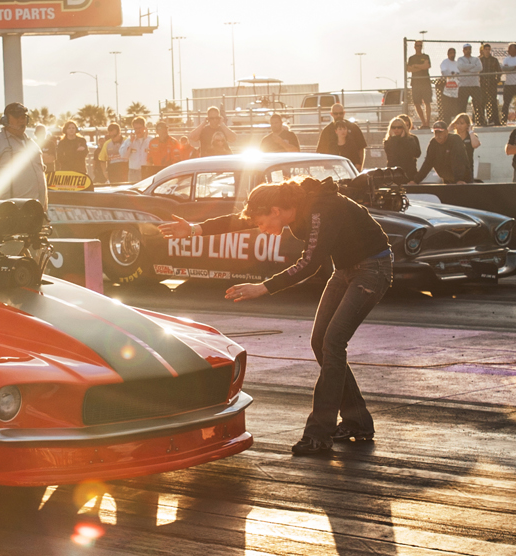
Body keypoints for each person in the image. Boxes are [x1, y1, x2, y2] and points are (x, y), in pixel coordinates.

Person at [160, 177, 392, 455]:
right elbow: (240, 220)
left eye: (261, 222)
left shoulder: (320, 209)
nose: (260, 229)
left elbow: (308, 264)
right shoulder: (291, 206)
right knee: (321, 342)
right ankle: (357, 422)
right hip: (346, 271)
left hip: (372, 270)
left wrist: (263, 287)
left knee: (333, 342)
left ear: (276, 210)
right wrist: (195, 229)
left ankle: (319, 434)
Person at [0, 103, 48, 203]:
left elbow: (41, 178)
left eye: (23, 117)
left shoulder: (33, 145)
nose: (21, 120)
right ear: (5, 120)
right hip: (8, 211)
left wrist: (44, 208)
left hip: (35, 211)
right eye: (17, 117)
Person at [414, 117, 475, 184]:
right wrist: (416, 181)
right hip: (447, 180)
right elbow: (427, 163)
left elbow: (458, 160)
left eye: (440, 132)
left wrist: (459, 179)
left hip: (463, 180)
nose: (437, 135)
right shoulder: (433, 143)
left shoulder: (455, 140)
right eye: (435, 132)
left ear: (446, 132)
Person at [317, 104, 367, 169]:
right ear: (331, 114)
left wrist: (360, 167)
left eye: (340, 113)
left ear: (344, 113)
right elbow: (321, 151)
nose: (338, 116)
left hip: (351, 167)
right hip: (332, 169)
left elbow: (361, 148)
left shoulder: (354, 128)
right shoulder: (327, 131)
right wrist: (325, 167)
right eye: (336, 114)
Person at [405, 41, 434, 129]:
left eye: (420, 45)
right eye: (417, 45)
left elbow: (426, 66)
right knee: (416, 103)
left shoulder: (425, 56)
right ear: (414, 47)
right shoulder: (411, 58)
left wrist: (416, 66)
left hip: (425, 82)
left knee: (427, 102)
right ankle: (423, 122)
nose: (419, 47)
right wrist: (420, 66)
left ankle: (427, 123)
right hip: (415, 83)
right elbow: (409, 69)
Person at [381, 114, 420, 180]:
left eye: (399, 127)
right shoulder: (388, 141)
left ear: (403, 128)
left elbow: (417, 153)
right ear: (390, 128)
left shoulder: (412, 138)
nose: (396, 129)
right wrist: (394, 139)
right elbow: (393, 156)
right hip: (394, 174)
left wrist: (404, 140)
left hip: (410, 174)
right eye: (393, 127)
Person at [453, 44, 481, 125]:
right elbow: (461, 67)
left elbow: (479, 68)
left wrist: (467, 70)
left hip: (475, 85)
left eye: (469, 49)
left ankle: (479, 121)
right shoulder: (460, 59)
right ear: (463, 50)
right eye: (466, 49)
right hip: (463, 85)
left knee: (478, 104)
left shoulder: (476, 59)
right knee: (462, 106)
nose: (468, 50)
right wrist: (473, 68)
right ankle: (461, 122)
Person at [118, 117, 150, 182]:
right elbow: (123, 156)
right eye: (136, 128)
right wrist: (130, 142)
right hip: (133, 172)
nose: (138, 130)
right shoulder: (129, 141)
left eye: (140, 128)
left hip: (147, 170)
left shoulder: (150, 140)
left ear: (144, 128)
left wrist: (146, 140)